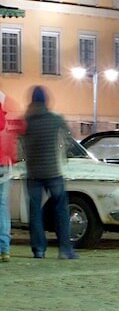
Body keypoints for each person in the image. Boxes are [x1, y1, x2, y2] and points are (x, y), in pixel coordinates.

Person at [21, 86, 77, 259]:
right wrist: (65, 154)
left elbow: (22, 145)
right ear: (46, 100)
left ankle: (38, 249)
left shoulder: (27, 121)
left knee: (35, 212)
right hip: (53, 170)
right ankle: (65, 250)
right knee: (61, 209)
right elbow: (69, 140)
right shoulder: (55, 119)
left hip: (33, 172)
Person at [0, 90, 16, 262]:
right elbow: (12, 149)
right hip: (5, 166)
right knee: (3, 208)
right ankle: (4, 249)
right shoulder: (7, 122)